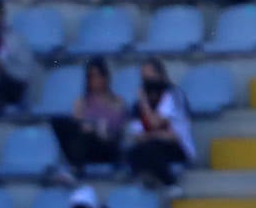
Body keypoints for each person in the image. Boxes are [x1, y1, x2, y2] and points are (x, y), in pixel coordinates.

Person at [125, 58, 195, 192]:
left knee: (151, 148)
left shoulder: (174, 95)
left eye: (149, 76)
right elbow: (138, 136)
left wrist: (144, 102)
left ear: (161, 76)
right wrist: (155, 135)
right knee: (134, 152)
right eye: (143, 78)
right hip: (154, 144)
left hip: (179, 147)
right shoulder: (137, 105)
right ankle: (147, 179)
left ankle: (170, 184)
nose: (147, 82)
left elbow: (155, 123)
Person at [51, 58, 127, 178]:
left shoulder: (117, 102)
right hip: (87, 145)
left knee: (88, 135)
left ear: (105, 77)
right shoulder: (82, 102)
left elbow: (117, 132)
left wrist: (98, 128)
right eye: (91, 77)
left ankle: (73, 170)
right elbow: (76, 126)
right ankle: (73, 168)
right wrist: (87, 127)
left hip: (106, 145)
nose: (95, 80)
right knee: (61, 124)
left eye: (97, 76)